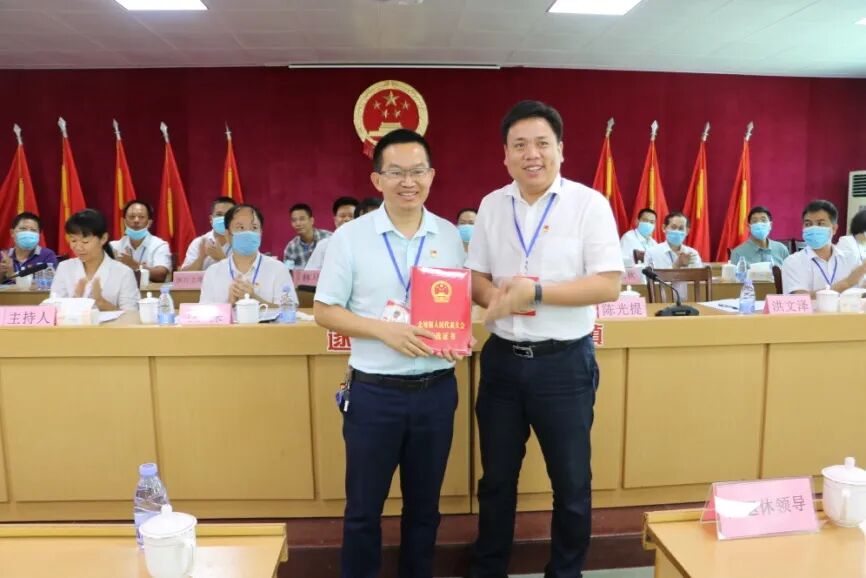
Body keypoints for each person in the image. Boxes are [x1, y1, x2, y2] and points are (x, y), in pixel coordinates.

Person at [465, 100, 622, 578]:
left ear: (560, 149)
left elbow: (608, 285)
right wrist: (495, 298)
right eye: (519, 145)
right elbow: (476, 277)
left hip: (564, 365)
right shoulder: (492, 205)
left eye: (541, 143)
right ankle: (489, 569)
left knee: (571, 483)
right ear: (505, 155)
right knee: (496, 481)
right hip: (502, 364)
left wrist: (535, 293)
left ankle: (566, 573)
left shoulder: (589, 204)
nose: (531, 154)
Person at [313, 129, 466, 578]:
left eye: (418, 171)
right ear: (377, 180)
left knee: (425, 508)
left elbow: (453, 305)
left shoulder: (449, 235)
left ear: (432, 175)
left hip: (437, 391)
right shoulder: (350, 237)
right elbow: (324, 310)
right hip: (374, 395)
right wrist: (386, 332)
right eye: (396, 172)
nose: (408, 181)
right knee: (364, 509)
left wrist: (458, 337)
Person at [199, 204, 295, 306]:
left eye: (254, 227)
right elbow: (205, 313)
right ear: (227, 235)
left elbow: (289, 310)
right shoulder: (212, 272)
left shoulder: (278, 269)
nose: (248, 232)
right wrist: (230, 305)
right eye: (241, 227)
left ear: (260, 233)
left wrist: (254, 299)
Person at [50, 209, 139, 311]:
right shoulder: (64, 268)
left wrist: (100, 301)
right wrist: (76, 300)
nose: (78, 247)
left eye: (85, 241)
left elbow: (131, 315)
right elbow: (53, 309)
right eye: (73, 240)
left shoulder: (123, 273)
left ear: (103, 238)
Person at [782, 200, 866, 295]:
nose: (813, 228)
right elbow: (800, 299)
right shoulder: (793, 262)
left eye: (820, 224)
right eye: (808, 224)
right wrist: (846, 283)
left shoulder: (851, 259)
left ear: (834, 229)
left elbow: (862, 291)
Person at [109, 200, 172, 282]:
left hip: (149, 290)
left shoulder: (159, 245)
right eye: (132, 217)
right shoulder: (113, 247)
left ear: (149, 222)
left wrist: (134, 265)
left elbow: (160, 275)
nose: (136, 220)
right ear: (124, 222)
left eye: (141, 217)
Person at [181, 196, 236, 271]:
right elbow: (184, 275)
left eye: (228, 215)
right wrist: (201, 258)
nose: (224, 219)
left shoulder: (242, 243)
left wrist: (221, 259)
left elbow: (247, 275)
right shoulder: (199, 242)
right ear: (211, 219)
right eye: (219, 214)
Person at [0, 212, 57, 284]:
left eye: (33, 230)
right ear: (12, 233)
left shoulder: (47, 255)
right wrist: (1, 273)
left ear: (39, 235)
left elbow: (50, 283)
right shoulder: (3, 256)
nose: (28, 233)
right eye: (23, 229)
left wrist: (12, 276)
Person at [305, 196, 359, 271]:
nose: (347, 219)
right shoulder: (323, 246)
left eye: (351, 216)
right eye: (342, 216)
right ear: (335, 220)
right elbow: (310, 274)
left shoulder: (365, 245)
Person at [283, 203, 331, 270]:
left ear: (311, 221)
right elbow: (287, 272)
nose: (298, 224)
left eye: (302, 219)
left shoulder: (328, 238)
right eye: (294, 220)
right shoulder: (291, 248)